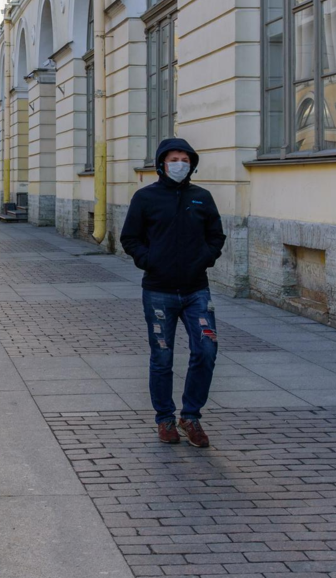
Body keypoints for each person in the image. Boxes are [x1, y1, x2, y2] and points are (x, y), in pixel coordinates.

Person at [120, 138, 226, 447]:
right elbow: (130, 238)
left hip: (196, 291)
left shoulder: (201, 198)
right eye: (173, 159)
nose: (179, 163)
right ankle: (164, 419)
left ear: (192, 164)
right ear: (161, 164)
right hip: (159, 292)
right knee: (162, 356)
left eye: (184, 159)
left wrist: (205, 258)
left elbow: (216, 235)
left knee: (206, 350)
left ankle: (190, 417)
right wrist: (149, 261)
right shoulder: (145, 198)